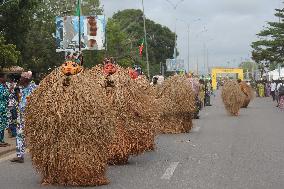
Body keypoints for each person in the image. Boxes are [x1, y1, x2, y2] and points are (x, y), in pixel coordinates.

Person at [10, 71, 37, 163]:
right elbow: (16, 101)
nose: (20, 79)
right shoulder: (19, 88)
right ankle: (20, 156)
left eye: (21, 78)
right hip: (21, 117)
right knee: (20, 135)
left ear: (26, 79)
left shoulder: (34, 88)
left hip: (31, 116)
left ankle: (38, 155)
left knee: (34, 136)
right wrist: (15, 93)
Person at [0, 74, 9, 147]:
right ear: (1, 78)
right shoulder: (1, 86)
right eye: (4, 77)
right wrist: (8, 90)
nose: (6, 78)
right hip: (1, 109)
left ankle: (2, 140)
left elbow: (8, 96)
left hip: (4, 109)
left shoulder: (4, 86)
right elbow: (3, 95)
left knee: (2, 125)